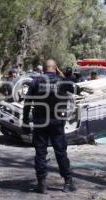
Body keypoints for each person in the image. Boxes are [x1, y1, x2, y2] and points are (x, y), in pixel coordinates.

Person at [22, 59, 76, 194]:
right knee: (60, 152)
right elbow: (74, 87)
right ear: (55, 68)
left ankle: (41, 184)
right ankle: (68, 181)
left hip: (40, 121)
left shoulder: (35, 81)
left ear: (43, 69)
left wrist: (25, 121)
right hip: (57, 121)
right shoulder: (61, 81)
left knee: (40, 152)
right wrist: (63, 75)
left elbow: (28, 102)